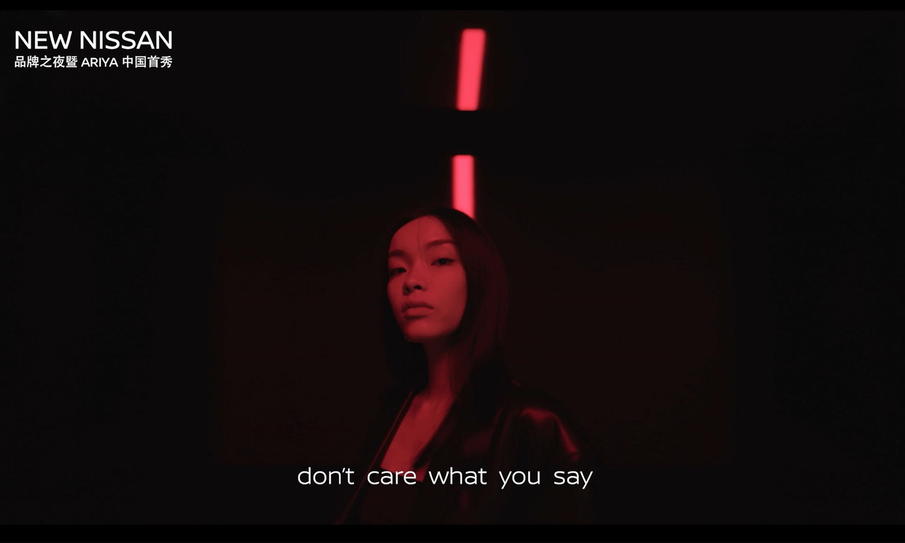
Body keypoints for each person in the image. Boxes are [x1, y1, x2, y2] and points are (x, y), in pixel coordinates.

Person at [336, 205, 594, 524]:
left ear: (479, 277)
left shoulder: (534, 424)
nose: (411, 281)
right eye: (397, 269)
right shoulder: (387, 412)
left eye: (441, 260)